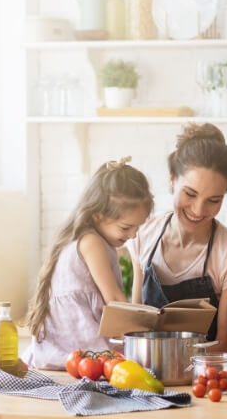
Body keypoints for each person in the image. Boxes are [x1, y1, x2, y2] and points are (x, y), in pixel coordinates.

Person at [129, 123, 227, 353]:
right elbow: (135, 327)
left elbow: (224, 347)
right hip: (145, 378)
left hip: (205, 381)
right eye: (190, 194)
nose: (198, 210)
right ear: (172, 180)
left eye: (213, 200)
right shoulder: (143, 234)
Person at [23, 157, 153, 369]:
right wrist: (141, 332)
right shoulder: (92, 242)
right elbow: (113, 298)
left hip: (69, 347)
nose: (133, 235)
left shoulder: (91, 239)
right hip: (77, 346)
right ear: (98, 216)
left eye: (137, 228)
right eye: (126, 227)